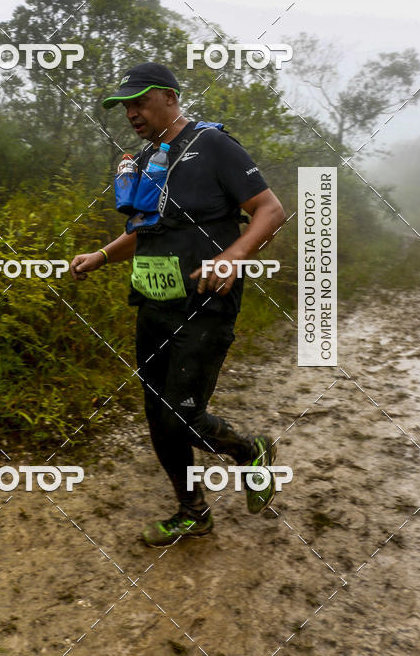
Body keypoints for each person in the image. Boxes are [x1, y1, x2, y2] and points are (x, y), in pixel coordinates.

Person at [69, 62, 286, 547]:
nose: (132, 112)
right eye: (125, 106)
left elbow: (270, 210)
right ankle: (192, 512)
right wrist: (101, 256)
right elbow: (143, 229)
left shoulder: (212, 145)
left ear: (169, 97)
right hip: (154, 302)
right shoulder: (149, 160)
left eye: (140, 101)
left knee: (180, 414)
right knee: (157, 413)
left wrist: (231, 257)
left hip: (205, 305)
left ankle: (248, 451)